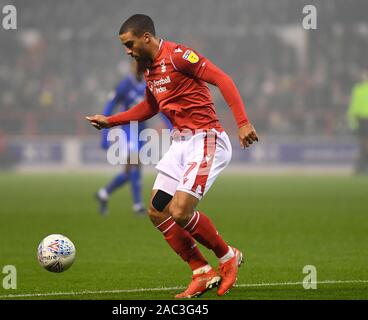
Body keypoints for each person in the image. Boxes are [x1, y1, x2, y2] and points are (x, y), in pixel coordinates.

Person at [86, 14, 258, 298]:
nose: (128, 51)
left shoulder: (179, 56)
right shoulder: (150, 70)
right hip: (181, 144)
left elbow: (222, 79)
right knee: (157, 210)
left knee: (180, 211)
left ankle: (227, 257)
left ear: (146, 37)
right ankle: (201, 271)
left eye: (129, 44)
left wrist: (242, 122)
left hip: (206, 139)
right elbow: (149, 108)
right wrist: (111, 120)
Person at [96, 60, 172, 215]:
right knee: (135, 162)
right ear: (131, 67)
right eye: (135, 65)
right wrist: (104, 134)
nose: (138, 67)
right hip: (127, 130)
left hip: (142, 129)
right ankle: (137, 205)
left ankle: (103, 193)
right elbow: (110, 107)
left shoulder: (149, 84)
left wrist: (172, 127)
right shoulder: (124, 85)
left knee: (129, 171)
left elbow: (160, 107)